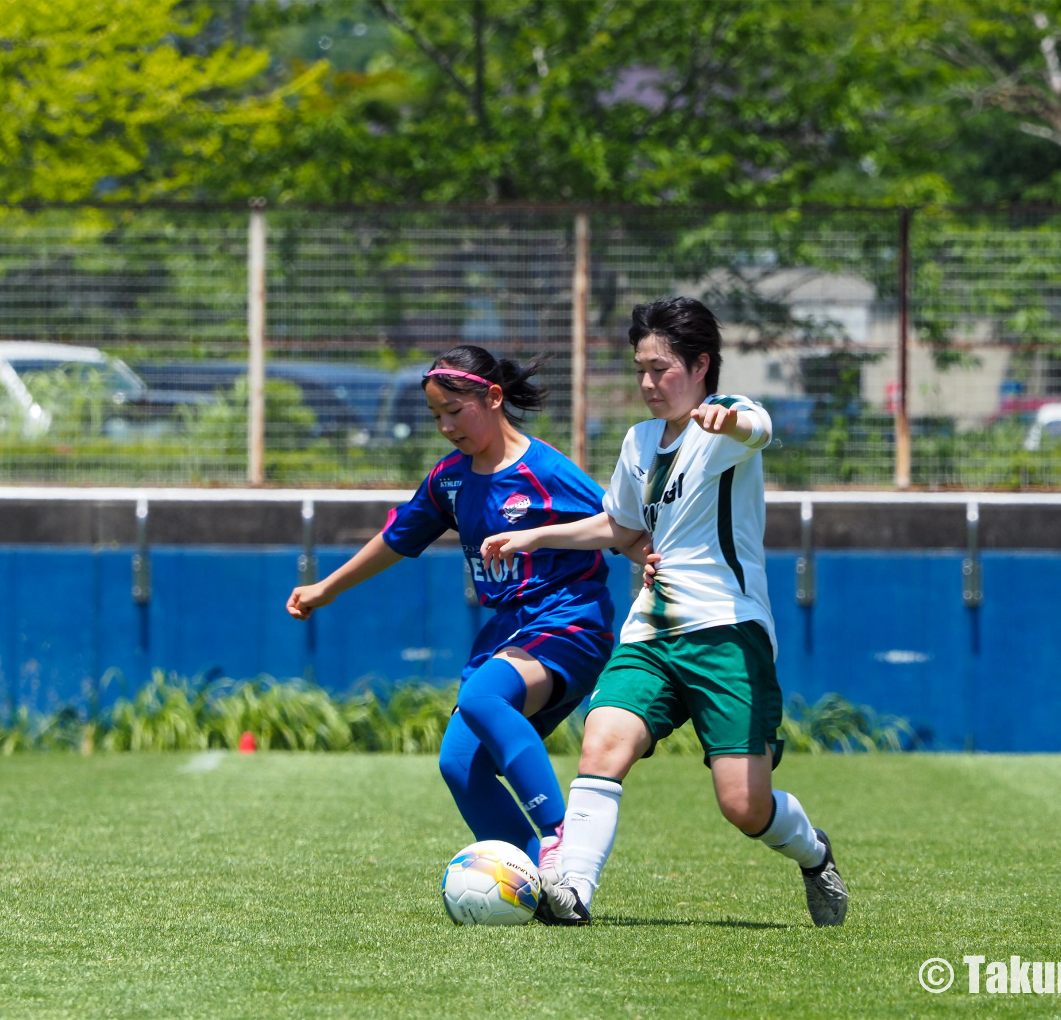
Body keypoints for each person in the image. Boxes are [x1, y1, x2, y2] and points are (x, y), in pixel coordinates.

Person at [482, 297, 848, 927]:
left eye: (662, 369)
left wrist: (725, 421)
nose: (649, 383)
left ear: (702, 364)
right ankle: (573, 890)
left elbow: (757, 427)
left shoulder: (730, 421)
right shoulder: (638, 441)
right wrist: (537, 536)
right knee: (602, 742)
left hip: (727, 634)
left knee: (743, 807)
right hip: (652, 630)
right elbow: (621, 524)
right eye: (641, 370)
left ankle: (815, 855)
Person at [287, 345, 646, 884]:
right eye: (436, 417)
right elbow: (396, 538)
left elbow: (621, 525)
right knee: (461, 764)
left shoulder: (547, 470)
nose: (446, 426)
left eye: (455, 412)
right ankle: (544, 882)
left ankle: (559, 836)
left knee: (481, 696)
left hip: (568, 623)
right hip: (508, 633)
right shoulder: (449, 480)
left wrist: (651, 557)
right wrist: (327, 588)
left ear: (494, 398)